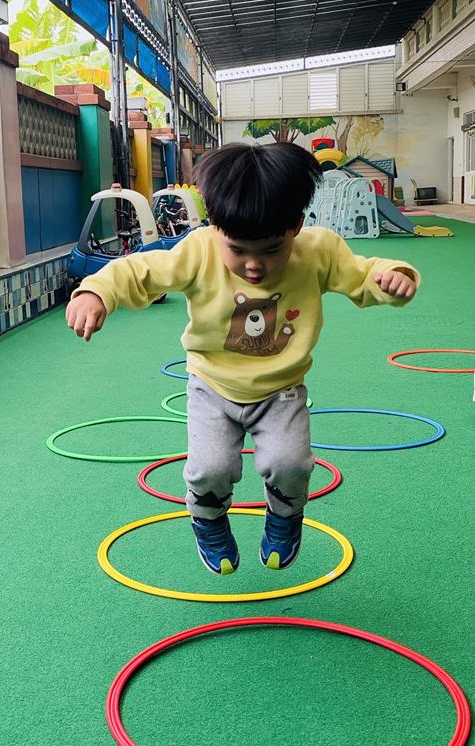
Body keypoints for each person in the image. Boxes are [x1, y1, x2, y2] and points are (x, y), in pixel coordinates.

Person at [66, 143, 419, 576]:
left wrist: (391, 278)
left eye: (271, 250)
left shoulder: (319, 251)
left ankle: (285, 517)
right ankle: (209, 522)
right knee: (210, 469)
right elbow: (140, 270)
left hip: (281, 390)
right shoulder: (200, 250)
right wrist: (96, 292)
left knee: (290, 465)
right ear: (216, 227)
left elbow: (363, 275)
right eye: (238, 250)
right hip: (212, 386)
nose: (254, 266)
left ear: (296, 226)